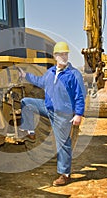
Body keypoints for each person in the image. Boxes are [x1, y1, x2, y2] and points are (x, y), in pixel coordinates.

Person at [18, 41, 86, 186]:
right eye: (60, 54)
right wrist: (25, 75)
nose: (63, 56)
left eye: (65, 54)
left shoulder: (74, 74)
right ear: (55, 56)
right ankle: (30, 131)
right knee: (26, 102)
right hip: (47, 108)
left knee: (63, 144)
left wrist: (78, 114)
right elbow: (40, 81)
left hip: (63, 114)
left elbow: (80, 95)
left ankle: (65, 174)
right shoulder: (51, 72)